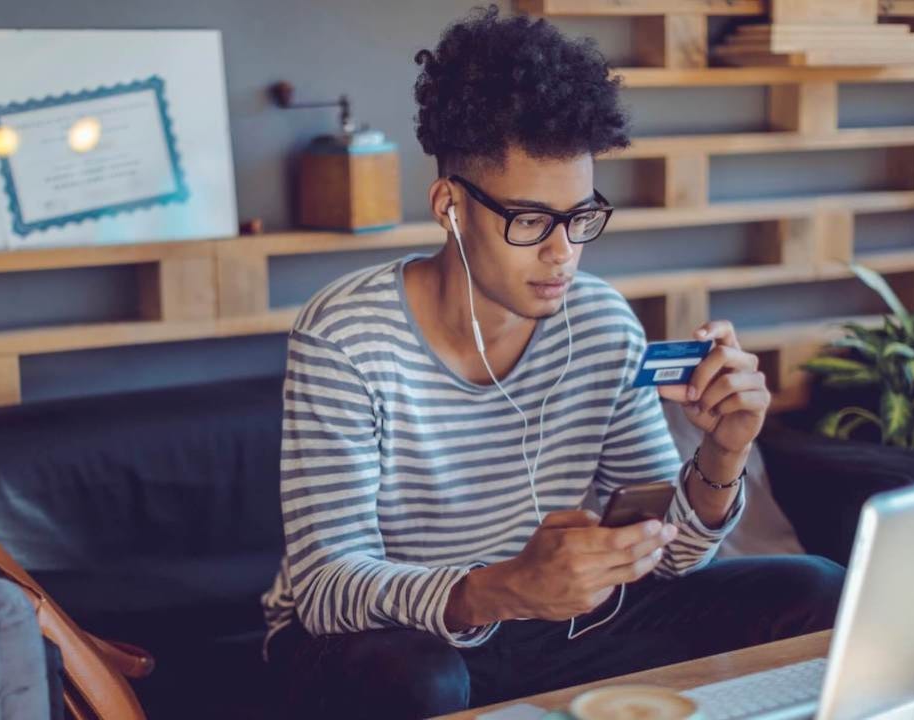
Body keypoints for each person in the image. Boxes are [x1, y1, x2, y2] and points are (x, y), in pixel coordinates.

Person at [261, 7, 845, 718]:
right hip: (389, 641)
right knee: (422, 684)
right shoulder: (345, 336)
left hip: (552, 627)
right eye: (530, 221)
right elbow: (326, 589)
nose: (562, 253)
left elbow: (670, 556)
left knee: (815, 588)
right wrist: (502, 586)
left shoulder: (598, 321)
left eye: (580, 218)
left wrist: (723, 455)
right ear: (449, 206)